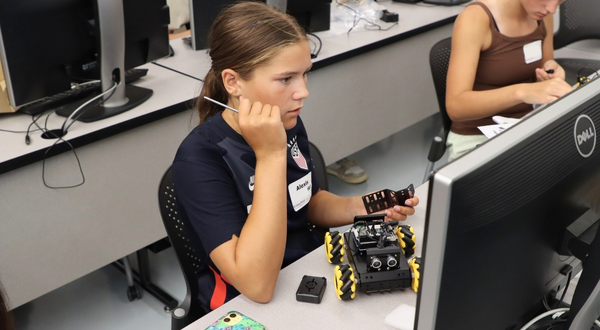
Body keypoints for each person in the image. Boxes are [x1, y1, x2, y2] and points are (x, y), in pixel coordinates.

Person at [171, 1, 419, 314]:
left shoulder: (285, 120)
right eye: (286, 79)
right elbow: (256, 285)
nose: (303, 91)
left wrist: (364, 207)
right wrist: (271, 154)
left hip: (306, 270)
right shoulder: (199, 159)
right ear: (233, 82)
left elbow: (306, 203)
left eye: (305, 75)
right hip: (248, 301)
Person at [445, 0, 573, 161]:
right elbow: (456, 107)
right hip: (476, 135)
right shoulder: (475, 18)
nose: (552, 9)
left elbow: (544, 68)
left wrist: (550, 71)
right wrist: (521, 92)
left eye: (560, 0)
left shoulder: (542, 14)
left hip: (524, 127)